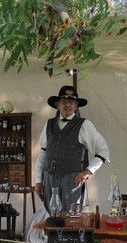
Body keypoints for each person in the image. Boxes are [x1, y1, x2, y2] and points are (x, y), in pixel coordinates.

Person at [35, 85, 110, 214]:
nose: (67, 105)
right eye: (64, 102)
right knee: (52, 218)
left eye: (71, 102)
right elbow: (42, 154)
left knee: (71, 219)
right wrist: (38, 181)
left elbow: (103, 151)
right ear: (58, 104)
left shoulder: (85, 125)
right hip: (49, 180)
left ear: (76, 106)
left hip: (72, 180)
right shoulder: (49, 124)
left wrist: (87, 171)